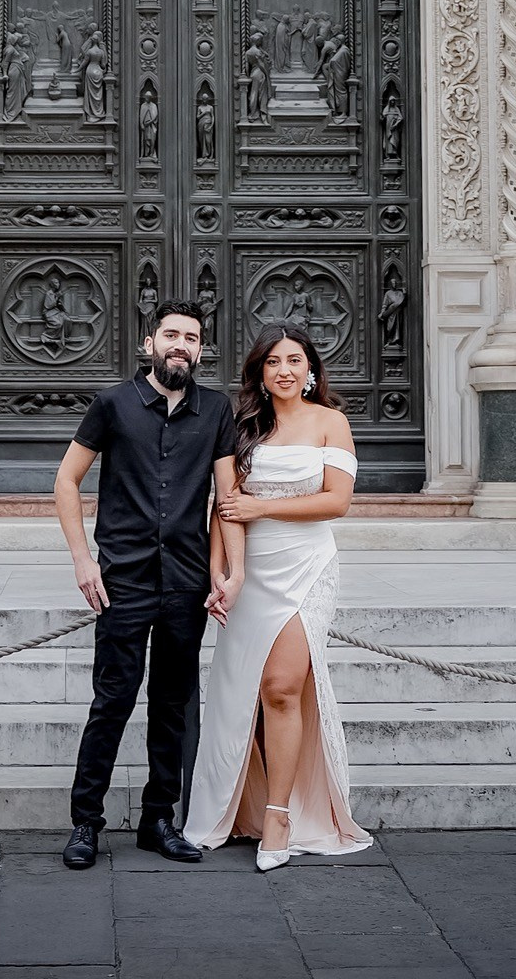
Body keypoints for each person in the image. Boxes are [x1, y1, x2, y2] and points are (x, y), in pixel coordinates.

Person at [54, 299, 238, 869]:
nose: (180, 344)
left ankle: (158, 820)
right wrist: (84, 561)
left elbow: (227, 501)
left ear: (200, 350)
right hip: (124, 582)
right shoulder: (112, 404)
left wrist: (228, 574)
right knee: (111, 702)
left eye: (191, 337)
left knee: (172, 706)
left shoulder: (216, 410)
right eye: (171, 334)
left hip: (185, 582)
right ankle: (86, 823)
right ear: (149, 343)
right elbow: (66, 480)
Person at [186, 327, 369, 867]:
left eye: (294, 360)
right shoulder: (242, 426)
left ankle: (279, 814)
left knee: (282, 687)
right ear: (259, 373)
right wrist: (220, 572)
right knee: (244, 689)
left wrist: (261, 508)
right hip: (249, 569)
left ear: (310, 368)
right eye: (272, 362)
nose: (284, 370)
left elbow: (336, 502)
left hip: (307, 566)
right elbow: (225, 505)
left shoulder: (331, 422)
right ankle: (237, 803)